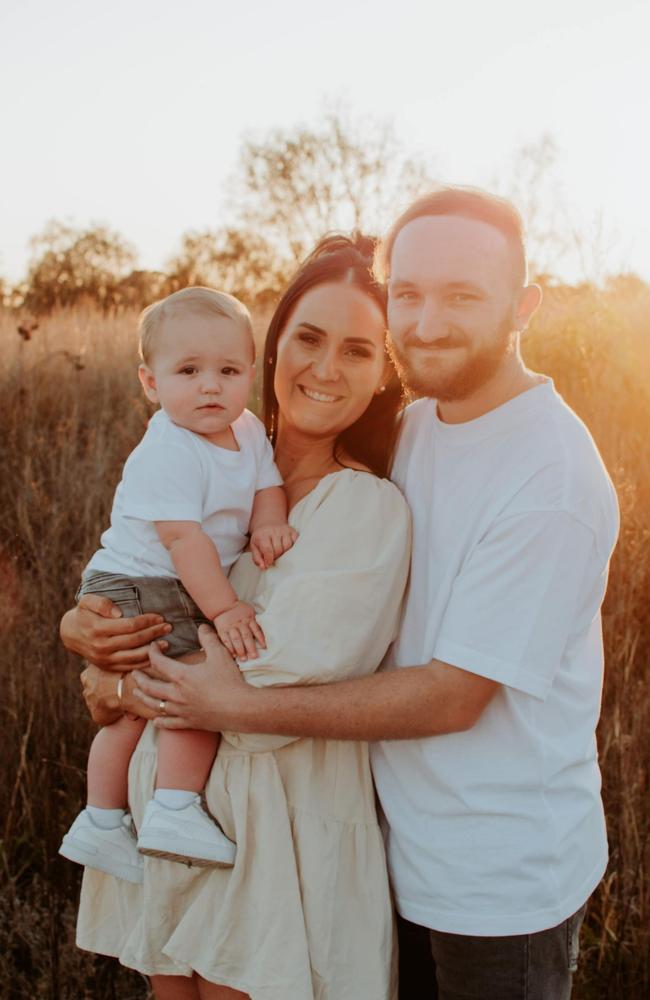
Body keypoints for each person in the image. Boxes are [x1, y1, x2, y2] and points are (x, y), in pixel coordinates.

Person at [126, 188, 619, 1000]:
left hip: (495, 879)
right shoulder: (420, 427)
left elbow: (456, 696)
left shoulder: (549, 477)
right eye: (410, 293)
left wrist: (231, 706)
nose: (427, 322)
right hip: (389, 843)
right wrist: (96, 645)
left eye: (464, 295)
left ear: (524, 306)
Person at [60, 235, 410, 999]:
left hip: (275, 834)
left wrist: (116, 682)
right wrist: (84, 630)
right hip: (170, 816)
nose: (324, 368)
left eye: (357, 350)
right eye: (308, 338)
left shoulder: (365, 508)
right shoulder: (206, 461)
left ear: (386, 375)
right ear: (273, 345)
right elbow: (143, 586)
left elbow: (261, 680)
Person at [59, 286, 297, 881]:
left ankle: (102, 823)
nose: (210, 385)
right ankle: (173, 806)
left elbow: (267, 485)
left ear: (250, 373)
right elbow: (184, 543)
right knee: (195, 686)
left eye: (228, 369)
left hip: (155, 582)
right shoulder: (168, 448)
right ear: (151, 382)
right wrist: (226, 610)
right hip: (141, 582)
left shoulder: (245, 431)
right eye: (188, 370)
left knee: (134, 708)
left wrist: (269, 522)